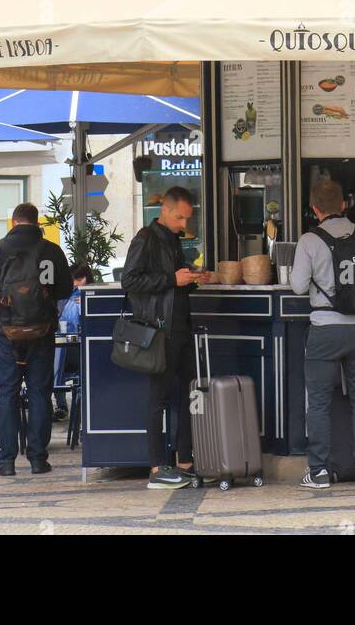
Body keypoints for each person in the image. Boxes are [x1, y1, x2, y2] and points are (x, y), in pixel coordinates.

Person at [291, 176, 355, 489]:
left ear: (314, 208)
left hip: (324, 330)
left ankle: (318, 472)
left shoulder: (309, 240)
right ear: (344, 205)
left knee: (318, 402)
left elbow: (297, 286)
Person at [121, 185, 213, 491]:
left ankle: (185, 462)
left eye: (187, 218)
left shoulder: (172, 239)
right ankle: (158, 467)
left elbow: (173, 285)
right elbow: (129, 280)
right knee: (157, 398)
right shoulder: (145, 239)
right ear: (164, 210)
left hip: (180, 328)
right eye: (180, 218)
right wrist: (173, 279)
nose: (184, 224)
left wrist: (193, 278)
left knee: (189, 395)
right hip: (160, 331)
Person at [0, 202, 72, 477]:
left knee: (7, 393)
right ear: (37, 222)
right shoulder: (51, 251)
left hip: (7, 332)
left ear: (13, 222)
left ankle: (6, 461)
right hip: (42, 331)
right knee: (40, 392)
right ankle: (38, 458)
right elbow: (64, 288)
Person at [53, 262, 91, 421]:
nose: (76, 284)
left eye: (79, 279)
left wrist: (87, 306)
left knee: (57, 360)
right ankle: (62, 404)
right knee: (56, 358)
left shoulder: (91, 295)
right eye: (74, 279)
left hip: (83, 347)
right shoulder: (64, 296)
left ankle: (66, 404)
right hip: (64, 343)